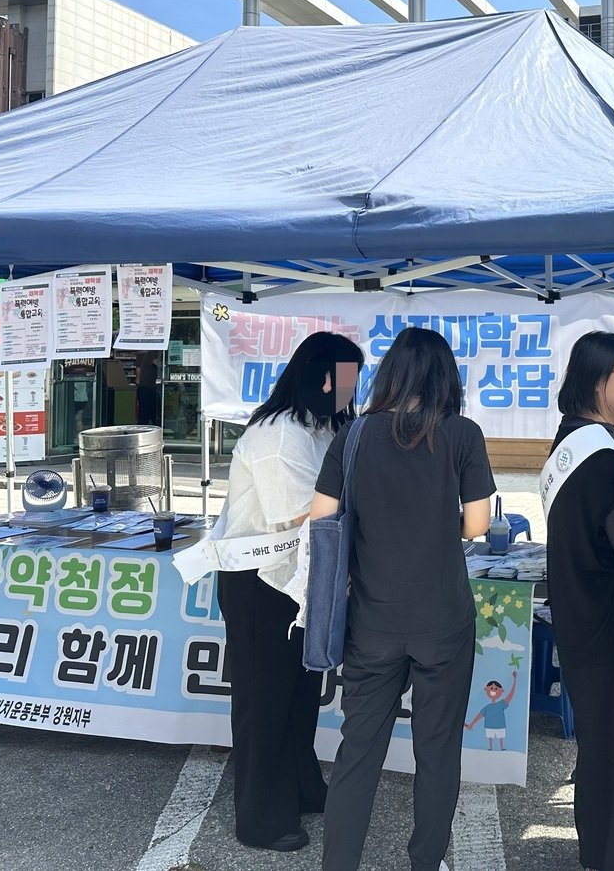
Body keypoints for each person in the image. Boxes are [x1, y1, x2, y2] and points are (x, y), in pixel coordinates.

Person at [310, 327, 497, 871]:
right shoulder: (462, 434)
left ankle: (339, 863)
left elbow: (323, 516)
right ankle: (425, 862)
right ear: (447, 378)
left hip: (371, 621)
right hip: (442, 619)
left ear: (390, 374)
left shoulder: (357, 434)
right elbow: (478, 524)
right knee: (437, 753)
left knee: (358, 751)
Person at [214, 330, 365, 853]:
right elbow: (304, 516)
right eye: (349, 378)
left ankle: (301, 786)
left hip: (299, 580)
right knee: (264, 700)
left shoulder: (321, 426)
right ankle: (259, 817)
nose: (353, 389)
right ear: (325, 378)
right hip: (262, 584)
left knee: (300, 696)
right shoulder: (280, 437)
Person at [539, 331, 614, 871]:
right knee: (608, 751)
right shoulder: (601, 456)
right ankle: (607, 857)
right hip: (604, 623)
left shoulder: (570, 439)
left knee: (600, 748)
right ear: (596, 378)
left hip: (578, 616)